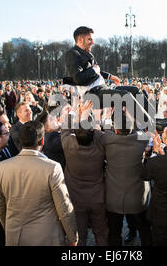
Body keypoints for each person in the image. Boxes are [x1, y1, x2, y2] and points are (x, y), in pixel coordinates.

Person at [0, 121, 78, 246]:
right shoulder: (52, 167)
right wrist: (73, 236)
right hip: (46, 236)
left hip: (15, 235)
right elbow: (64, 206)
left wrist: (9, 227)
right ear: (42, 141)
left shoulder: (2, 167)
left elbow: (0, 207)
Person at [60, 103, 108, 246]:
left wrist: (76, 111)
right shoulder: (100, 146)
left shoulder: (68, 143)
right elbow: (102, 135)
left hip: (76, 197)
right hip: (98, 197)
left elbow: (65, 128)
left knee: (80, 236)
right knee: (101, 233)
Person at [100, 114, 151, 246]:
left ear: (115, 129)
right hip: (137, 195)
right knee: (145, 231)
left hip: (113, 196)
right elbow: (145, 129)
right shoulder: (141, 139)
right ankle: (134, 234)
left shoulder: (107, 139)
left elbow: (104, 130)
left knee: (114, 233)